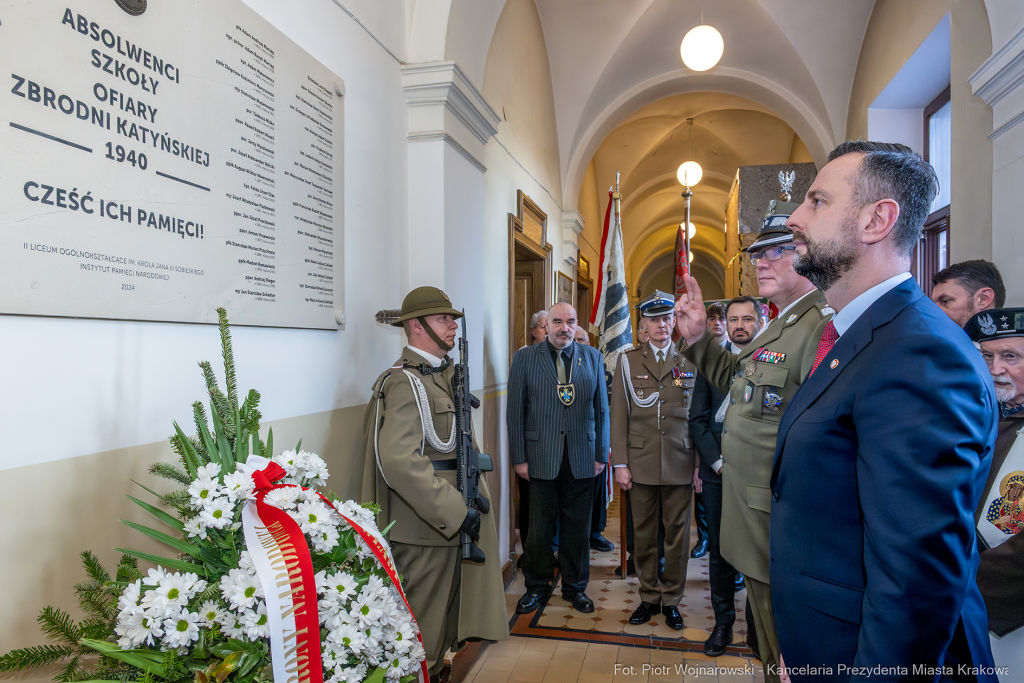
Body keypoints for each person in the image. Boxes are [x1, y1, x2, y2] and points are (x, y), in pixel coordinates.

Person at [767, 141, 995, 679]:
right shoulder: (862, 335)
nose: (796, 218)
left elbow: (914, 584)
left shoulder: (919, 353)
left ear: (877, 220)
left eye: (817, 202)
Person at [674, 202, 830, 683]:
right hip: (755, 515)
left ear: (809, 253)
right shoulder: (784, 323)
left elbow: (824, 439)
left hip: (780, 522)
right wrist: (699, 337)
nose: (759, 260)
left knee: (788, 653)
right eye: (757, 252)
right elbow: (741, 383)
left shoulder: (822, 324)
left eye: (776, 250)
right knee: (768, 643)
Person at [360, 286, 509, 682]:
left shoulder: (441, 376)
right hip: (426, 530)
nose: (451, 325)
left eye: (452, 319)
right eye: (443, 318)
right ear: (416, 325)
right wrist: (456, 511)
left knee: (442, 633)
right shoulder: (404, 382)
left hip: (446, 527)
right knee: (419, 640)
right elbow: (399, 461)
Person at [509, 302, 610, 615]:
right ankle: (536, 586)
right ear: (546, 324)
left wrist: (600, 453)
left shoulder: (592, 357)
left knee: (577, 529)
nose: (564, 327)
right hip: (539, 458)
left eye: (570, 321)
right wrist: (518, 458)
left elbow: (602, 409)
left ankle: (575, 587)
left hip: (582, 456)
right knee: (538, 530)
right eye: (557, 321)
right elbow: (515, 412)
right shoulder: (524, 358)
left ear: (576, 324)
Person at [610, 290, 698, 630]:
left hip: (681, 460)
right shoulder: (628, 361)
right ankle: (648, 596)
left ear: (674, 321)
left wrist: (700, 465)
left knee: (677, 537)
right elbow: (619, 415)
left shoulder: (692, 359)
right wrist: (620, 463)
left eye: (667, 318)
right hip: (641, 461)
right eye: (654, 319)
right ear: (642, 324)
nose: (662, 325)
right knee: (643, 534)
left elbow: (699, 416)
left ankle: (672, 599)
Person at [689, 297, 760, 656]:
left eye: (748, 318)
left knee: (757, 552)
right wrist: (716, 463)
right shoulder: (711, 363)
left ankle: (759, 630)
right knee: (719, 551)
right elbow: (698, 420)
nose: (740, 325)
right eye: (734, 319)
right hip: (718, 475)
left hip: (759, 476)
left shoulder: (772, 360)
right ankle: (722, 625)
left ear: (759, 322)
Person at [966, 308, 1024, 680]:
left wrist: (966, 585)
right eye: (987, 355)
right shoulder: (979, 415)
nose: (994, 368)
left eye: (1010, 357)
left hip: (1006, 610)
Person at [931, 259, 1006, 327]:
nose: (933, 311)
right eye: (934, 304)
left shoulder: (1013, 341)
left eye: (945, 301)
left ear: (983, 298)